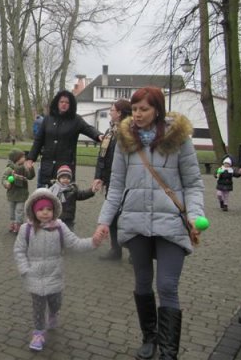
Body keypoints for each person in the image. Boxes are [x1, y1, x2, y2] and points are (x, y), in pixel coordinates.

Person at [94, 87, 204, 360]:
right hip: (136, 223)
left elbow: (193, 185)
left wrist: (194, 216)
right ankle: (149, 338)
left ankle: (168, 351)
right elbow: (116, 187)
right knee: (143, 284)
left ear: (158, 109)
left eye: (144, 109)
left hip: (171, 225)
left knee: (167, 286)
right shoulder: (124, 140)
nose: (138, 114)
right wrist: (103, 222)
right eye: (134, 109)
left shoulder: (179, 140)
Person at [13, 188, 102, 352]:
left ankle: (53, 314)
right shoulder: (26, 229)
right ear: (33, 210)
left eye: (48, 209)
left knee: (55, 302)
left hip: (54, 274)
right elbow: (19, 250)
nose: (45, 213)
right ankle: (38, 333)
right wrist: (25, 269)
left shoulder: (60, 227)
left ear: (54, 210)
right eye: (40, 209)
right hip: (34, 275)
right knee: (38, 307)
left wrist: (93, 242)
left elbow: (75, 244)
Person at [25, 90, 103, 187]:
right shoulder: (47, 119)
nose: (64, 104)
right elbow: (38, 140)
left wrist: (99, 135)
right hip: (47, 166)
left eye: (67, 102)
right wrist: (31, 158)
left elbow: (88, 129)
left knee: (64, 199)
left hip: (65, 168)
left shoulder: (76, 120)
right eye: (61, 102)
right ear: (57, 103)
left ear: (71, 104)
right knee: (43, 198)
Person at [92, 99, 132, 260]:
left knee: (129, 217)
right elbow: (103, 156)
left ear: (120, 112)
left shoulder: (129, 132)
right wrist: (99, 176)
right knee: (113, 216)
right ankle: (116, 250)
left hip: (129, 182)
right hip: (112, 180)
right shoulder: (110, 131)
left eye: (112, 109)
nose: (110, 112)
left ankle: (135, 252)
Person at [48, 164, 95, 231]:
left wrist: (91, 191)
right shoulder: (53, 190)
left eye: (68, 178)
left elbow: (82, 194)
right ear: (58, 178)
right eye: (63, 178)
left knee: (69, 237)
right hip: (56, 219)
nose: (66, 180)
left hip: (68, 219)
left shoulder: (73, 189)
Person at [2, 149, 35, 233]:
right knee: (12, 210)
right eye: (22, 157)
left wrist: (31, 169)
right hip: (12, 194)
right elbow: (4, 178)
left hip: (22, 194)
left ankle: (18, 225)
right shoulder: (9, 169)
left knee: (19, 210)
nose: (24, 158)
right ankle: (12, 223)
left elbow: (30, 176)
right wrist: (7, 183)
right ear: (16, 158)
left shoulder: (24, 168)